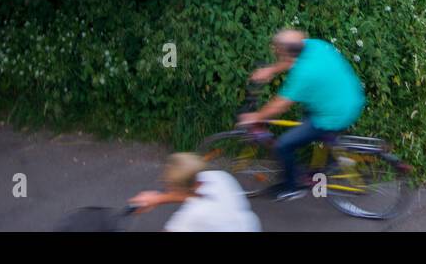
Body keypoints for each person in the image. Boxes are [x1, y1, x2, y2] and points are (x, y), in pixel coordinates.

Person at [239, 28, 366, 201]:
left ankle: (292, 188)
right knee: (305, 120)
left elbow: (279, 105)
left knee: (283, 145)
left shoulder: (303, 74)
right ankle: (324, 159)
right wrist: (271, 70)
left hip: (334, 114)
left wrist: (256, 117)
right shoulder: (314, 45)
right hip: (348, 96)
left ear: (284, 51)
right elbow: (290, 60)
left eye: (277, 49)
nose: (275, 51)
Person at [129, 152, 261, 231]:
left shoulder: (190, 217)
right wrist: (157, 199)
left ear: (174, 187)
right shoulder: (219, 176)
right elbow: (193, 195)